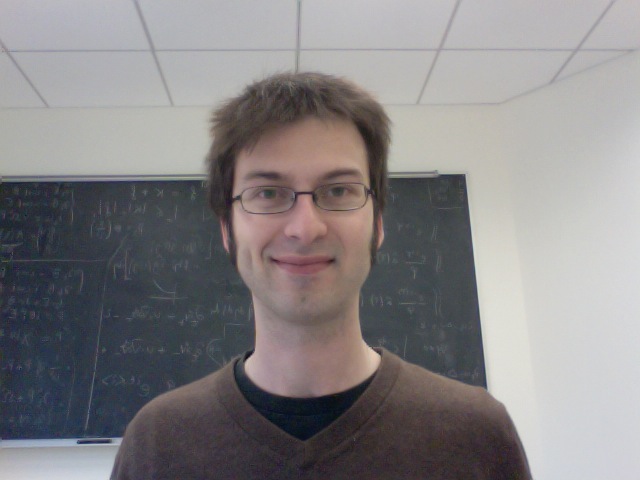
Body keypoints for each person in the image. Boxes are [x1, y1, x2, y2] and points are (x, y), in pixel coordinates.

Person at [110, 72, 531, 479]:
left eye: (338, 190)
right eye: (268, 193)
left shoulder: (476, 434)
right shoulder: (157, 442)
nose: (305, 228)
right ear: (227, 230)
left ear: (377, 224)